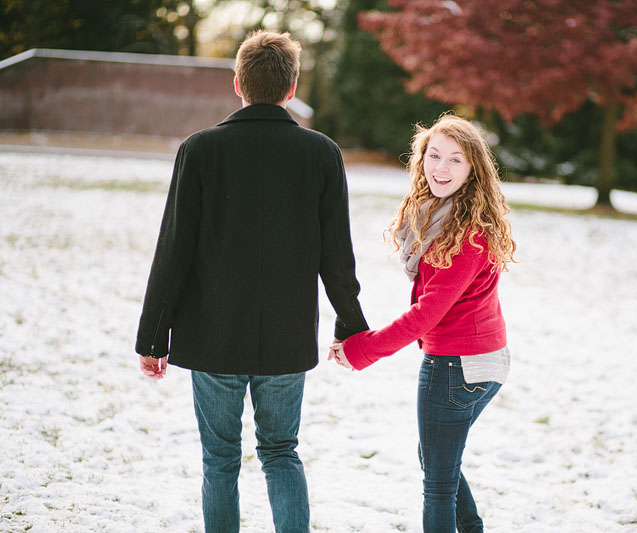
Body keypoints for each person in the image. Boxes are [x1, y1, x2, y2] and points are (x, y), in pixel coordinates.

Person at [136, 30, 368, 533]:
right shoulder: (321, 153)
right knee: (282, 453)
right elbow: (338, 256)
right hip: (285, 339)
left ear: (237, 84)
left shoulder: (199, 150)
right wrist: (350, 324)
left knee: (219, 461)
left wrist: (153, 337)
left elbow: (172, 252)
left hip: (212, 335)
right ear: (292, 88)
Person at [329, 114, 516, 532]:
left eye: (455, 160)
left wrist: (361, 349)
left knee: (438, 483)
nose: (441, 168)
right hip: (484, 359)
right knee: (436, 461)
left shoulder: (466, 233)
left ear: (473, 170)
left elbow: (426, 314)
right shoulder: (447, 218)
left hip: (456, 366)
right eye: (434, 156)